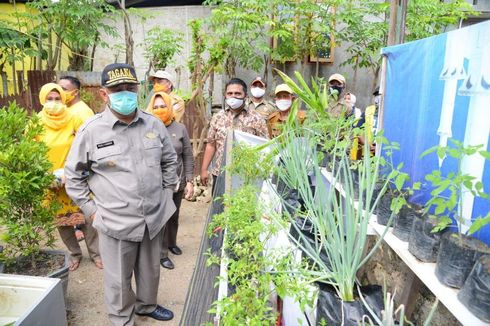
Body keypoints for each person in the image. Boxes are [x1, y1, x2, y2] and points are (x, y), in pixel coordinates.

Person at [65, 63, 178, 325]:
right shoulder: (91, 130)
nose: (125, 93)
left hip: (153, 217)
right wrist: (92, 212)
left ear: (138, 89)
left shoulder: (153, 124)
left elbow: (170, 162)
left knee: (150, 271)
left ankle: (147, 306)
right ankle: (122, 319)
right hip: (115, 221)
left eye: (130, 87)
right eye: (117, 89)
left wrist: (166, 194)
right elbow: (73, 177)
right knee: (118, 279)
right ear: (104, 94)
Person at [37, 82, 102, 271]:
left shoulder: (73, 118)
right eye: (50, 99)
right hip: (51, 181)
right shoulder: (36, 122)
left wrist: (72, 170)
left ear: (64, 99)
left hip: (75, 176)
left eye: (58, 98)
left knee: (89, 217)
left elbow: (86, 145)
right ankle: (75, 254)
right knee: (62, 221)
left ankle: (96, 254)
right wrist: (45, 175)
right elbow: (32, 152)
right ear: (43, 99)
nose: (54, 102)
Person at [147, 91, 194, 270]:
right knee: (162, 218)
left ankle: (172, 243)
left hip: (177, 181)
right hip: (157, 184)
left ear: (170, 107)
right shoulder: (148, 128)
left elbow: (188, 155)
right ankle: (161, 253)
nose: (159, 110)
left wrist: (189, 180)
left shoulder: (180, 128)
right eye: (156, 107)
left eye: (163, 106)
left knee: (174, 216)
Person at [200, 78, 269, 190]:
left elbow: (265, 146)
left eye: (237, 93)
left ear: (245, 96)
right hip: (220, 173)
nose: (233, 96)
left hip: (246, 175)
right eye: (230, 93)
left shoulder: (257, 119)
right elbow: (211, 144)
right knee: (220, 206)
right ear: (225, 96)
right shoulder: (218, 117)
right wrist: (204, 169)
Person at [58, 75, 95, 242]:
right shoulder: (64, 110)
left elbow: (90, 143)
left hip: (78, 169)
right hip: (63, 169)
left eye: (64, 89)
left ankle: (95, 252)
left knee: (83, 206)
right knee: (67, 209)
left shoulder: (83, 112)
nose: (60, 92)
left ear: (75, 92)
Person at [350, 87, 380, 160]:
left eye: (380, 95)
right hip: (366, 156)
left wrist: (379, 149)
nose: (377, 98)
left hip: (382, 157)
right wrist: (366, 144)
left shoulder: (391, 115)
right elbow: (357, 130)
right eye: (376, 95)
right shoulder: (368, 111)